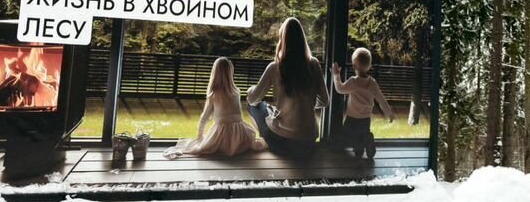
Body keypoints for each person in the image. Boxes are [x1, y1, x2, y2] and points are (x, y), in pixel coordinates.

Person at [246, 17, 330, 156]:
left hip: (281, 143)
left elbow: (253, 100)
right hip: (308, 143)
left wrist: (250, 90)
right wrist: (305, 104)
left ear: (282, 40)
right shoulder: (313, 64)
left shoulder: (275, 67)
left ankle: (265, 139)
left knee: (254, 106)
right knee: (270, 109)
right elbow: (325, 101)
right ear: (302, 39)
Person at [165, 58, 265, 159]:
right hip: (240, 135)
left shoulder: (214, 94)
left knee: (199, 145)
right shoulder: (236, 93)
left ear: (214, 73)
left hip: (222, 136)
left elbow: (204, 117)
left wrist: (200, 136)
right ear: (230, 73)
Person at [331, 47, 393, 160]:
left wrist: (336, 75)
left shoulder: (353, 82)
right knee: (362, 134)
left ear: (354, 66)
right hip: (365, 118)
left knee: (347, 134)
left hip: (352, 116)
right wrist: (389, 113)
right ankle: (368, 140)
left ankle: (357, 149)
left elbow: (340, 89)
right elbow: (381, 99)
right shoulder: (372, 83)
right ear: (369, 66)